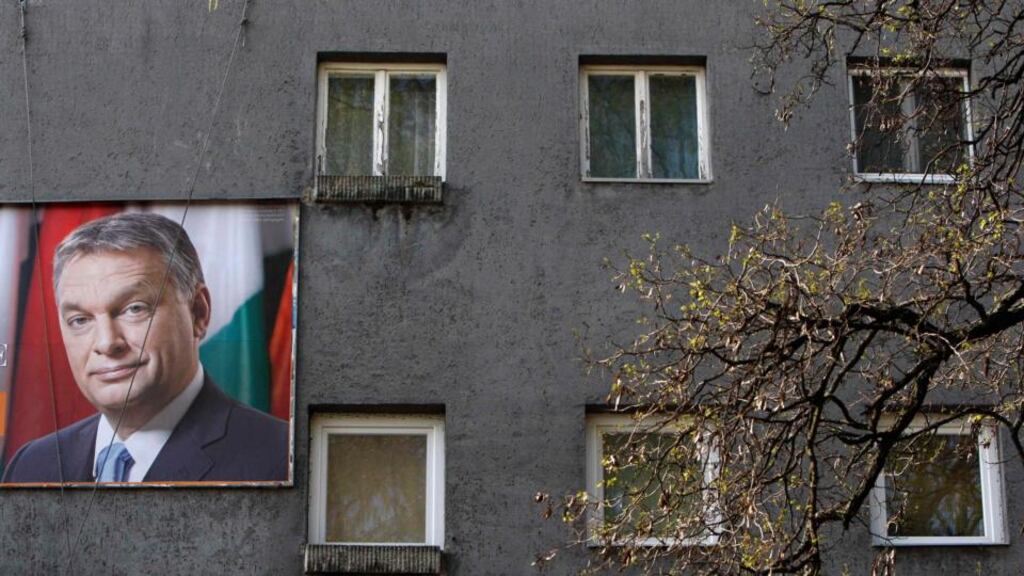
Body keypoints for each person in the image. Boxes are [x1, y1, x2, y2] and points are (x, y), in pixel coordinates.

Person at [2, 213, 288, 483]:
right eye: (80, 320)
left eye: (134, 309)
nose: (106, 343)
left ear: (198, 313)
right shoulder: (32, 465)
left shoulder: (278, 458)